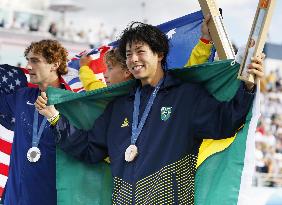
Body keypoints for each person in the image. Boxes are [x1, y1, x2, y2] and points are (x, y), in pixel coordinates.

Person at [37, 20, 264, 203]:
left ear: (159, 54)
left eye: (140, 51)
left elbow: (224, 122)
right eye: (128, 54)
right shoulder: (119, 106)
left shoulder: (185, 96)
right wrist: (55, 118)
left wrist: (248, 86)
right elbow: (89, 149)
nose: (133, 59)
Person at [1, 39, 70, 205]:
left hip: (48, 199)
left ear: (54, 64)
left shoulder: (72, 104)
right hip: (13, 199)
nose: (29, 66)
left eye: (35, 60)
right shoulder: (22, 97)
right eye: (28, 60)